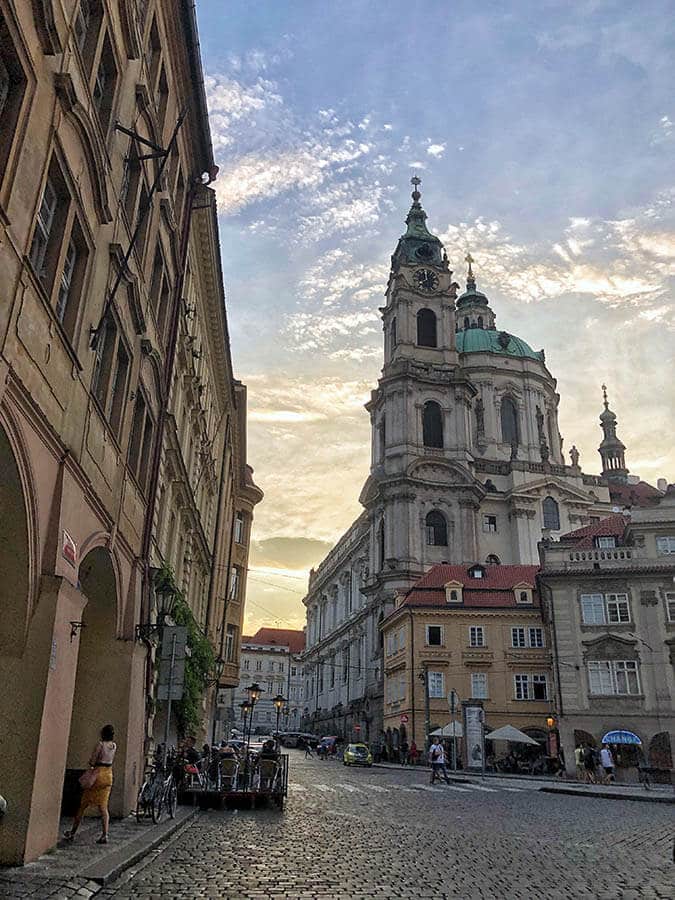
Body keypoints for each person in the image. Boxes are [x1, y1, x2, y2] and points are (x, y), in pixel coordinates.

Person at [63, 724, 116, 845]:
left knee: (83, 805)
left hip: (97, 775)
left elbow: (93, 761)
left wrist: (91, 764)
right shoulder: (114, 746)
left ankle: (73, 832)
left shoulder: (101, 745)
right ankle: (105, 834)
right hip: (108, 775)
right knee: (103, 807)